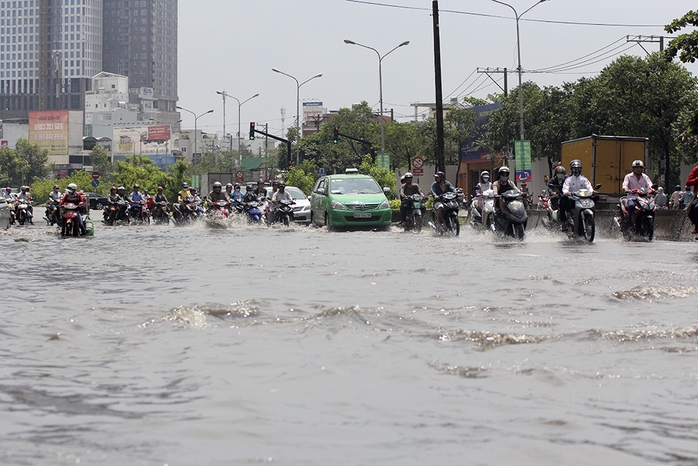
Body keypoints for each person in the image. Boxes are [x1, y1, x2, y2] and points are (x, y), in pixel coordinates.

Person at [559, 160, 594, 231]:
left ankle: (590, 218)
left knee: (596, 197)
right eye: (574, 169)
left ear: (581, 169)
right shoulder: (568, 179)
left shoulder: (584, 179)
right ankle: (566, 220)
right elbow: (565, 190)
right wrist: (569, 193)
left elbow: (589, 188)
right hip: (572, 199)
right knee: (562, 199)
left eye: (578, 168)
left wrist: (592, 192)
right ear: (571, 169)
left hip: (582, 199)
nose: (576, 170)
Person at [622, 160, 653, 228]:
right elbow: (625, 186)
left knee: (652, 207)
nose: (638, 169)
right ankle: (630, 222)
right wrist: (626, 189)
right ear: (633, 168)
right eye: (636, 167)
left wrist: (653, 189)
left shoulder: (645, 177)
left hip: (643, 198)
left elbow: (650, 185)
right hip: (632, 197)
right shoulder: (628, 177)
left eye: (640, 168)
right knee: (631, 206)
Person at [686, 163, 698, 234]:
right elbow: (688, 182)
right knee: (694, 208)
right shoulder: (696, 169)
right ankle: (697, 227)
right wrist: (697, 179)